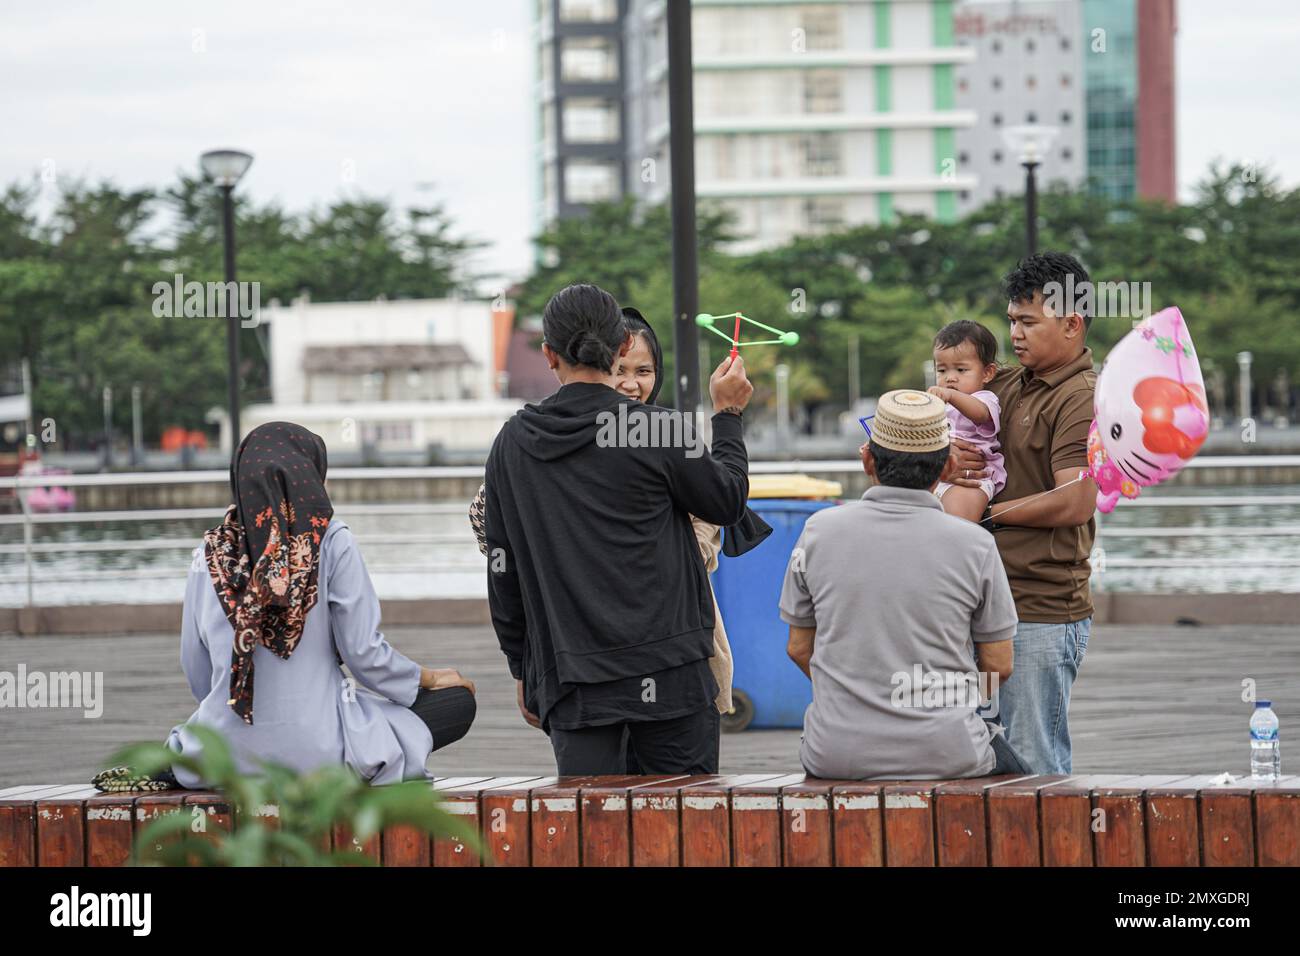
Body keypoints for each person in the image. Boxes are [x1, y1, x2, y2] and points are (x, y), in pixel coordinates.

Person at [484, 283, 753, 775]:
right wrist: (729, 416)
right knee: (683, 834)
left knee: (592, 837)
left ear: (548, 354)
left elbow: (503, 568)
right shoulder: (656, 428)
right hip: (672, 673)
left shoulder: (514, 443)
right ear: (623, 346)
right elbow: (727, 501)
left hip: (572, 679)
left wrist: (522, 666)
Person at [164, 421, 476, 788]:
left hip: (225, 757)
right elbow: (364, 656)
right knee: (456, 703)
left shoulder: (209, 554)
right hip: (322, 755)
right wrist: (427, 677)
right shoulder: (332, 541)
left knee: (199, 729)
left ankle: (185, 761)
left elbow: (196, 669)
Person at [780, 389, 1031, 780]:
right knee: (1026, 779)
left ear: (867, 459)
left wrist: (860, 693)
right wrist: (952, 699)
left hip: (837, 751)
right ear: (947, 467)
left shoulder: (818, 530)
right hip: (948, 749)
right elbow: (999, 664)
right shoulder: (975, 543)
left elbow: (799, 648)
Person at [948, 252, 1099, 774]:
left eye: (1028, 322)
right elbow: (959, 439)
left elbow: (1077, 499)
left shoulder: (1081, 397)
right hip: (980, 602)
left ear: (1072, 323)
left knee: (1034, 771)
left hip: (1039, 608)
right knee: (976, 764)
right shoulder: (1005, 384)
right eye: (1012, 319)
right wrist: (947, 462)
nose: (1014, 333)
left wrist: (988, 515)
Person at [928, 320, 1006, 522]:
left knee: (957, 524)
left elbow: (980, 414)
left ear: (987, 373)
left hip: (971, 479)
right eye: (942, 370)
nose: (950, 378)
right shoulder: (941, 405)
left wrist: (951, 396)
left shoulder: (984, 399)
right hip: (939, 475)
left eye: (961, 370)